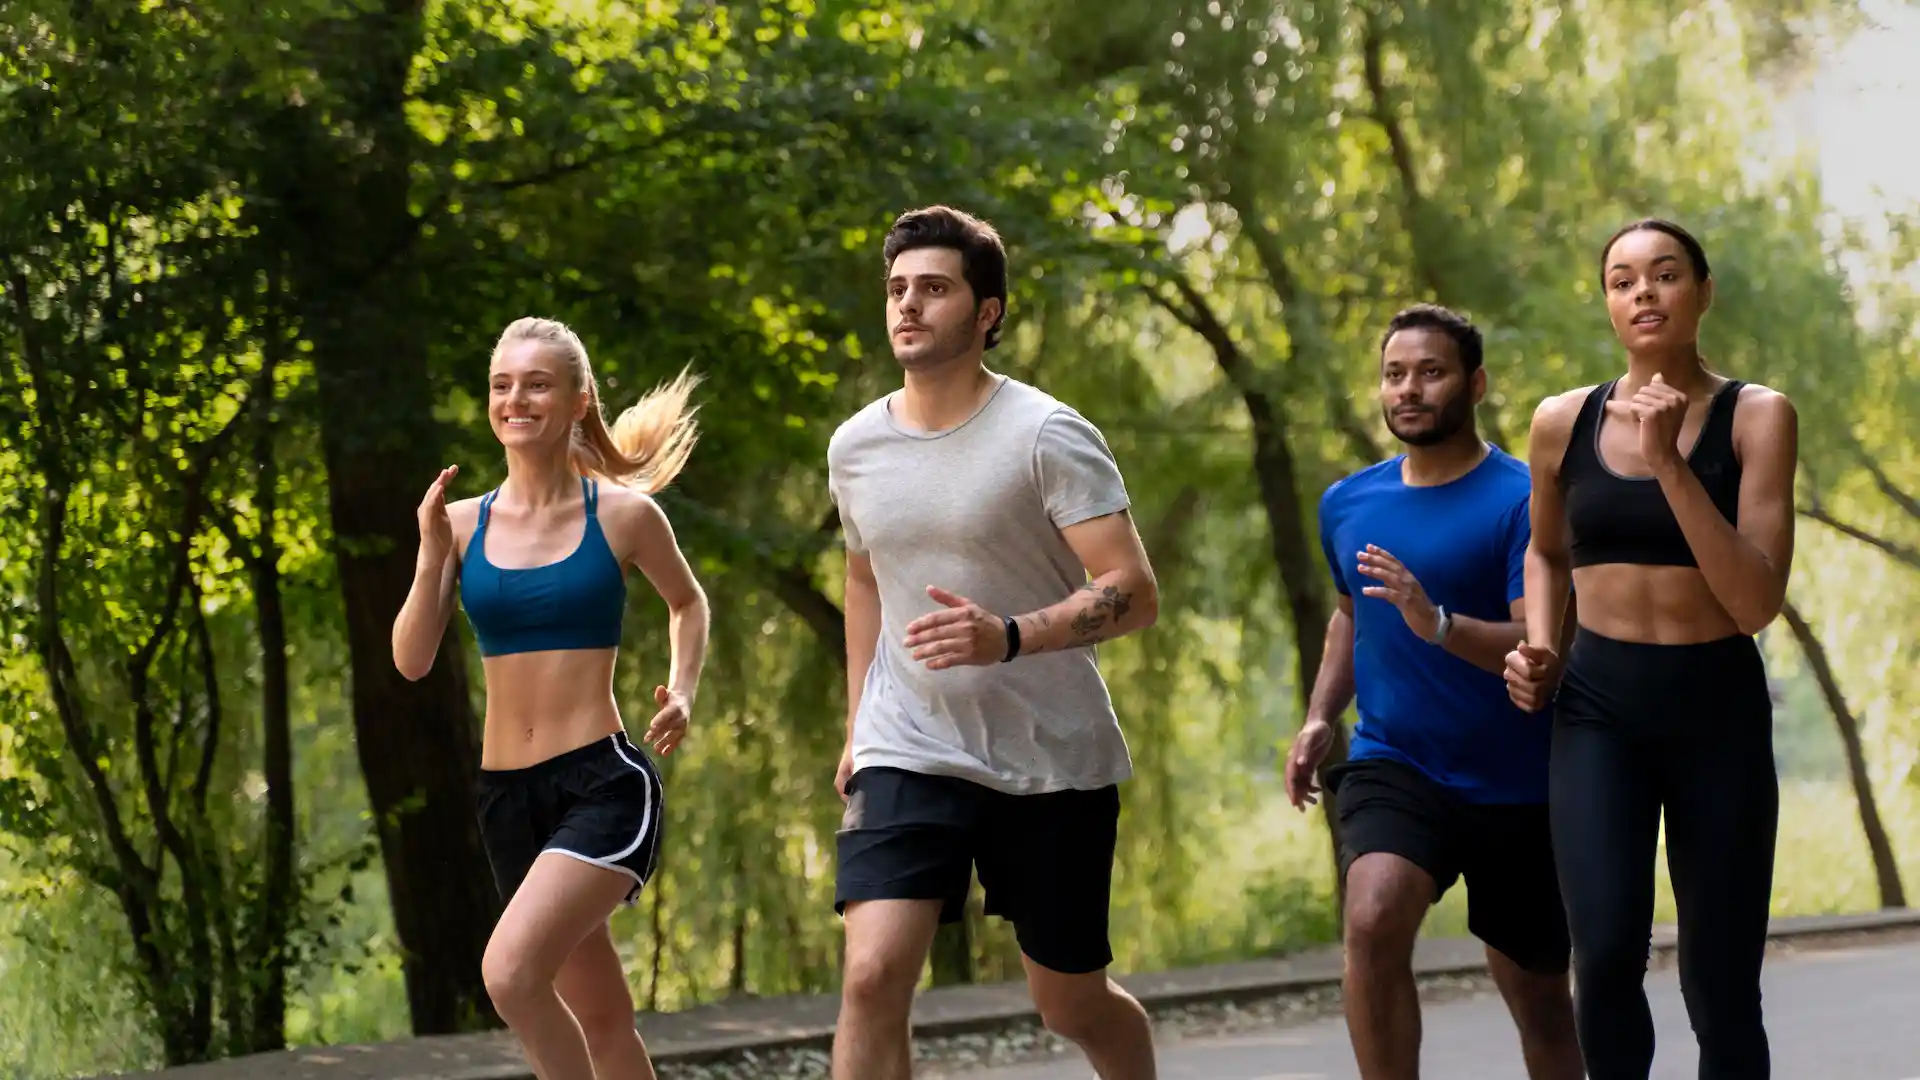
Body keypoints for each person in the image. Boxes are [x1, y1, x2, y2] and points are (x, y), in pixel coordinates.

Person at [824, 205, 1162, 1080]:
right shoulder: (855, 446)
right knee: (870, 976)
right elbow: (864, 580)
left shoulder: (1047, 434)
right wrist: (859, 723)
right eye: (897, 289)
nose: (907, 305)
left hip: (1049, 757)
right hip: (910, 742)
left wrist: (1008, 636)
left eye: (933, 289)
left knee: (1071, 1002)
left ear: (987, 313)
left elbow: (1131, 591)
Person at [1505, 219, 1798, 1079]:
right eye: (1623, 280)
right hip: (1598, 710)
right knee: (1600, 958)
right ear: (1606, 302)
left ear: (1702, 293)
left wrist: (1671, 464)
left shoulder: (1757, 417)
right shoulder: (1561, 421)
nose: (1643, 293)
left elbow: (1753, 602)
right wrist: (1539, 646)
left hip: (1717, 710)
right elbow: (1546, 551)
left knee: (1720, 983)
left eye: (1665, 275)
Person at [391, 317, 711, 1080]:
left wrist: (685, 692)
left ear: (577, 401)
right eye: (503, 385)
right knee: (603, 1020)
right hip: (507, 800)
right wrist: (432, 550)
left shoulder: (624, 515)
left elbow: (688, 602)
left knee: (509, 974)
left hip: (601, 784)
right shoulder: (462, 525)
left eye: (537, 384)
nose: (516, 399)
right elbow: (409, 661)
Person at [1285, 304, 1583, 1080]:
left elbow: (1539, 640)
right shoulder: (1347, 503)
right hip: (1398, 761)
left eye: (1431, 372)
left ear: (1475, 383)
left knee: (1543, 1005)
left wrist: (1440, 623)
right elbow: (1349, 618)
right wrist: (1321, 717)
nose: (1408, 389)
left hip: (1518, 782)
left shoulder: (1524, 499)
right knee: (1374, 915)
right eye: (1394, 374)